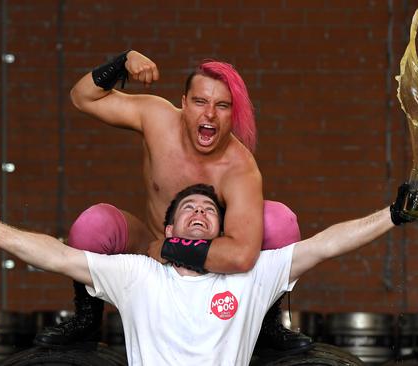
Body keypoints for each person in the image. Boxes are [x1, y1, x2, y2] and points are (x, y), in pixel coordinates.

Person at [0, 181, 418, 365]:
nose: (198, 213)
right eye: (188, 208)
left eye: (209, 210)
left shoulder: (252, 274)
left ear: (223, 229)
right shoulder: (136, 276)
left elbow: (326, 243)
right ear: (168, 229)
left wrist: (394, 215)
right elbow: (56, 255)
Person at [42, 49, 307, 353]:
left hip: (211, 261)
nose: (209, 114)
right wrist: (121, 63)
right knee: (94, 223)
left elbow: (242, 256)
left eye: (222, 106)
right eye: (199, 102)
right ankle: (87, 322)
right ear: (183, 103)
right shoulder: (157, 117)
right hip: (152, 248)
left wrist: (171, 249)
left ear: (232, 114)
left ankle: (266, 326)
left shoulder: (240, 166)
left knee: (279, 221)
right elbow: (82, 97)